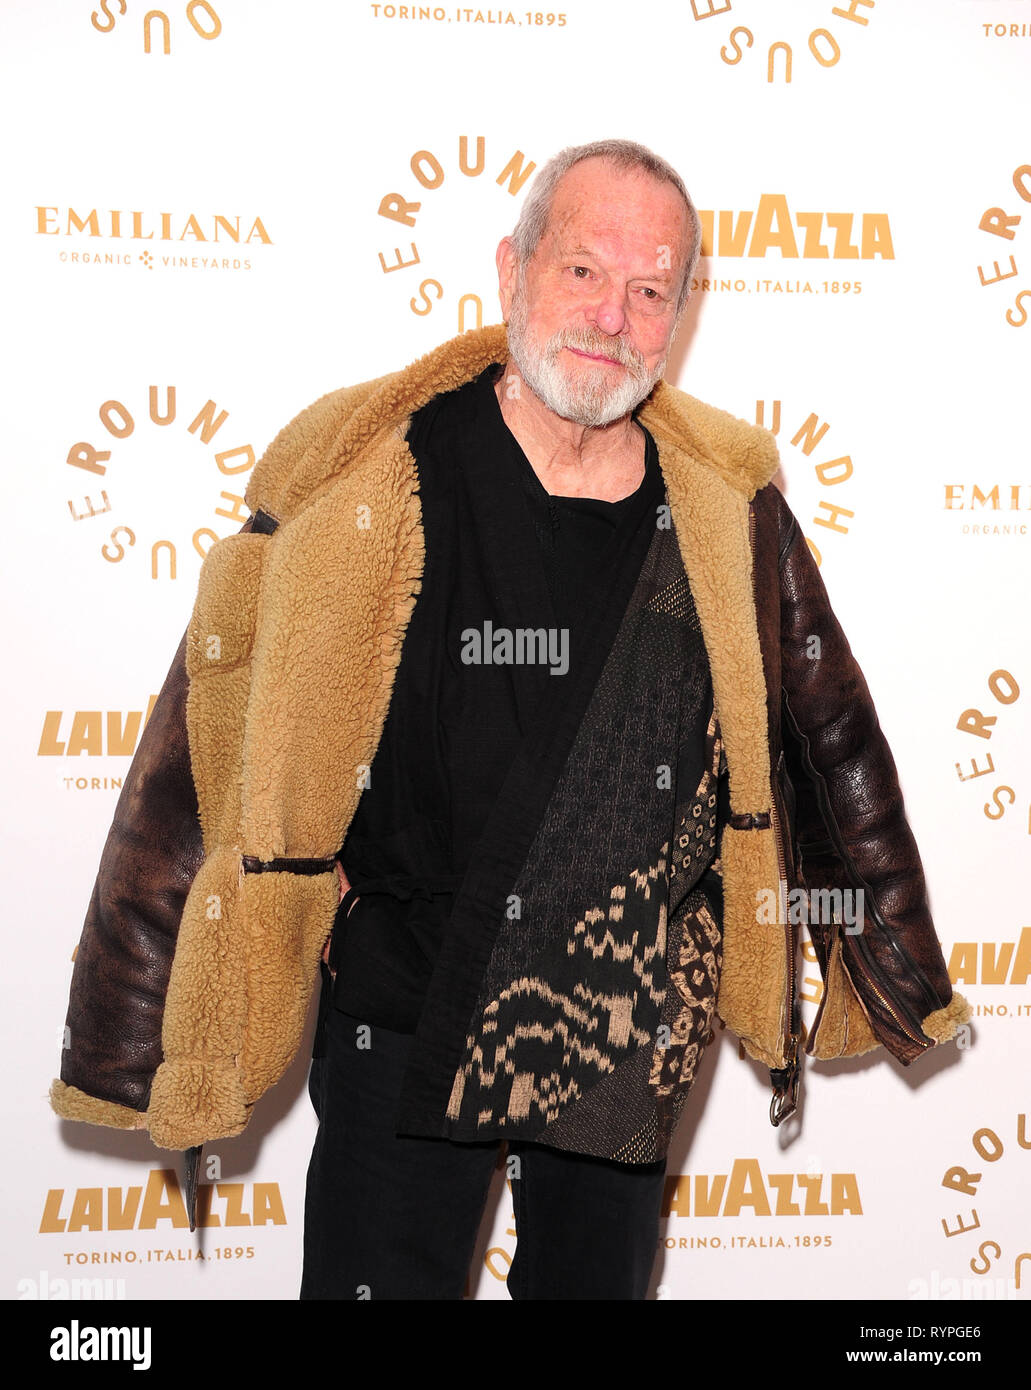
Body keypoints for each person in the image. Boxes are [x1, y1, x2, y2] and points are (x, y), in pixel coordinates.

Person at [52, 139, 969, 1301]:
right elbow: (204, 742)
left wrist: (891, 948)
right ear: (511, 267)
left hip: (623, 1011)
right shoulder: (367, 475)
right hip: (403, 995)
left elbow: (830, 735)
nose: (613, 316)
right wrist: (129, 1026)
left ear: (681, 313)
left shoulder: (726, 507)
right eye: (583, 270)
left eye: (651, 288)